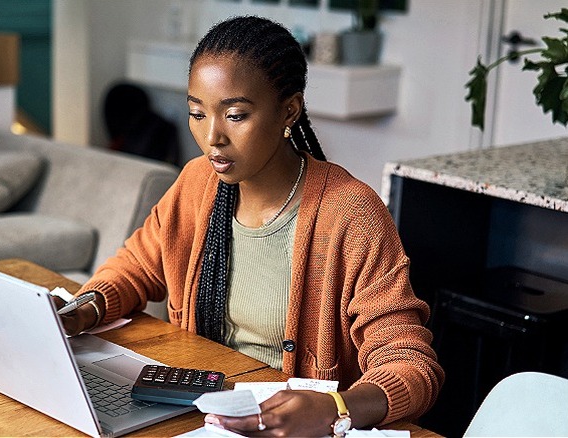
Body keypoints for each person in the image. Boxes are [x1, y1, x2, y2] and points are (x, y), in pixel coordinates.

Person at [56, 16, 444, 437]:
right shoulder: (197, 182)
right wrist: (83, 310)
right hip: (204, 414)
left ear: (289, 110)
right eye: (197, 114)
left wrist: (335, 407)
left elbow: (411, 364)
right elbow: (135, 266)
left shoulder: (351, 213)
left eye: (236, 115)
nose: (212, 138)